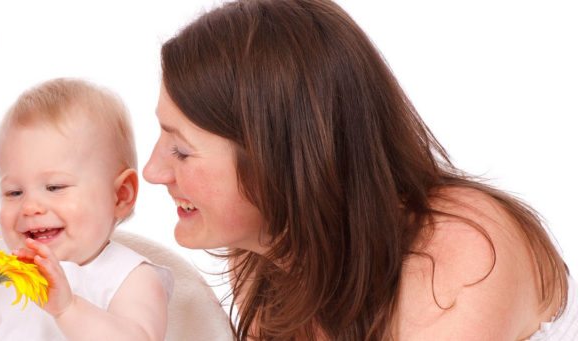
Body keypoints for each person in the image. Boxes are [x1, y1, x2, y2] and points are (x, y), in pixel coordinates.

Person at [141, 0, 573, 339]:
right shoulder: (264, 260)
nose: (152, 171)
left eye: (180, 150)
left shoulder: (461, 255)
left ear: (278, 159)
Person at [0, 78, 173, 340]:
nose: (30, 207)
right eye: (14, 192)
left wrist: (68, 309)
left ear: (120, 196)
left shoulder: (130, 276)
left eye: (55, 187)